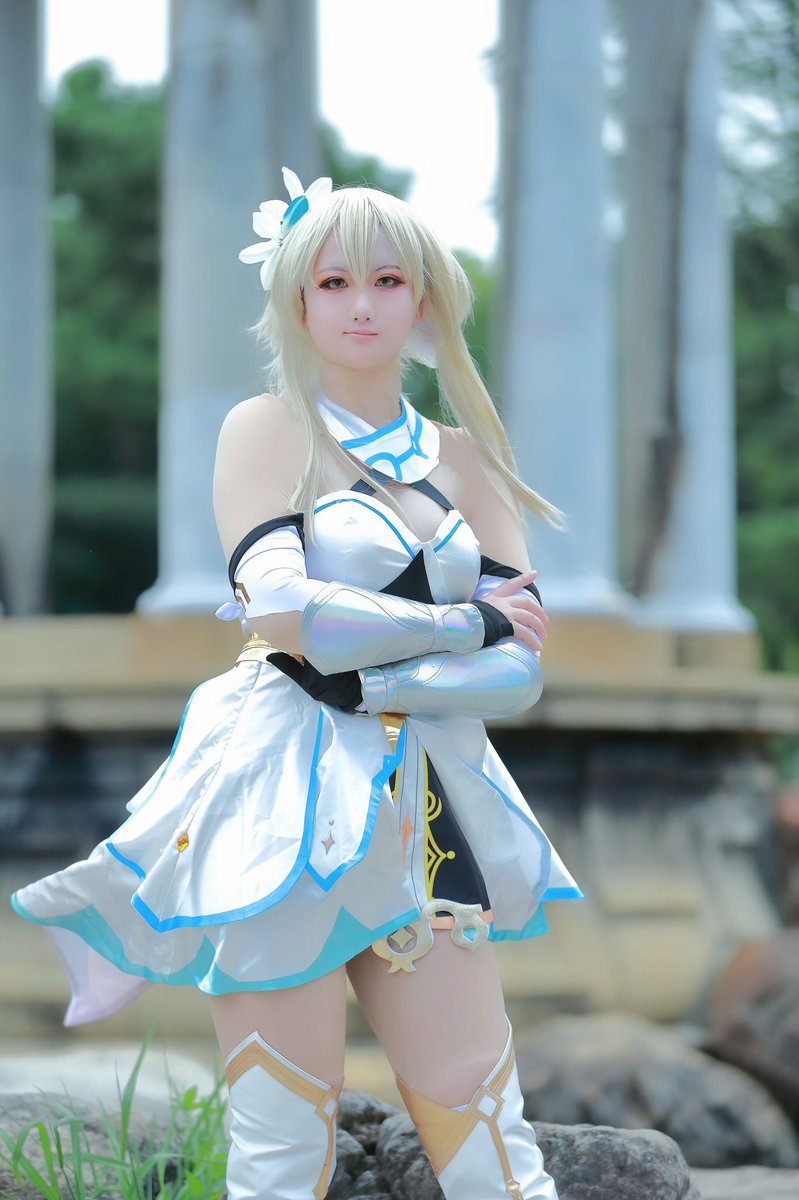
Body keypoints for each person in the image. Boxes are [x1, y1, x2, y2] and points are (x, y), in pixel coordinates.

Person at [11, 168, 583, 1200]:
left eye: (387, 280)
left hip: (427, 807)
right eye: (333, 282)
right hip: (279, 801)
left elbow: (520, 672)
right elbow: (285, 615)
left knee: (491, 1140)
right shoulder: (267, 430)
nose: (361, 304)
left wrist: (379, 672)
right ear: (298, 298)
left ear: (424, 296)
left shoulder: (466, 460)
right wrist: (464, 623)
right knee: (280, 1147)